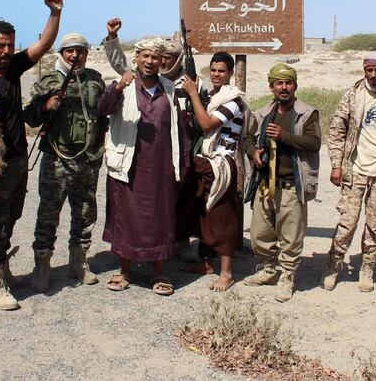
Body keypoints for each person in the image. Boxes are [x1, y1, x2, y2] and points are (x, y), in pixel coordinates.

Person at [0, 0, 63, 310]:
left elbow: (44, 45)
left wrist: (55, 13)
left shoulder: (12, 69)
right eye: (0, 46)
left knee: (10, 216)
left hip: (18, 160)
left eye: (10, 45)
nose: (7, 51)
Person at [97, 33, 181, 296]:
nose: (150, 61)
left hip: (161, 167)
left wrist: (182, 163)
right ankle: (124, 271)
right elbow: (103, 108)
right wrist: (117, 87)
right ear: (137, 58)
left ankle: (158, 272)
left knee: (159, 216)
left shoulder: (169, 89)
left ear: (161, 61)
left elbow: (180, 130)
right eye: (145, 55)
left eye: (155, 57)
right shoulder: (125, 84)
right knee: (126, 216)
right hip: (128, 164)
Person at [24, 32, 107, 292]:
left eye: (79, 51)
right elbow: (30, 117)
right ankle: (42, 266)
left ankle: (79, 262)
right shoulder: (49, 80)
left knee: (84, 213)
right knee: (49, 213)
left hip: (88, 159)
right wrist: (46, 106)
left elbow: (103, 116)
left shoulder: (95, 80)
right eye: (69, 51)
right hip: (58, 159)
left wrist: (99, 150)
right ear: (61, 54)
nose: (74, 55)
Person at [322, 52, 376, 292]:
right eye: (369, 70)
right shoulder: (353, 95)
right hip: (355, 170)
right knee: (347, 223)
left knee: (374, 223)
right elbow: (337, 131)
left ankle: (367, 268)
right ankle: (334, 266)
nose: (373, 75)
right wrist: (336, 165)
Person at [242, 64, 321, 303]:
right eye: (279, 83)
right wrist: (253, 152)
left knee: (291, 235)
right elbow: (247, 138)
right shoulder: (263, 112)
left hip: (290, 185)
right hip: (266, 183)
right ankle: (268, 269)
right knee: (260, 233)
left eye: (288, 83)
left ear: (295, 86)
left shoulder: (307, 113)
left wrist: (284, 137)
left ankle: (287, 275)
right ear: (271, 87)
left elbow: (314, 142)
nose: (283, 87)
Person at [177, 52, 247, 292]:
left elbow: (207, 124)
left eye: (222, 71)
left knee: (222, 216)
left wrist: (193, 94)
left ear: (229, 73)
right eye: (214, 70)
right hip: (205, 160)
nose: (217, 75)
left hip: (222, 164)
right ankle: (207, 263)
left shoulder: (233, 101)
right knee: (202, 214)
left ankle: (226, 273)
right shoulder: (212, 97)